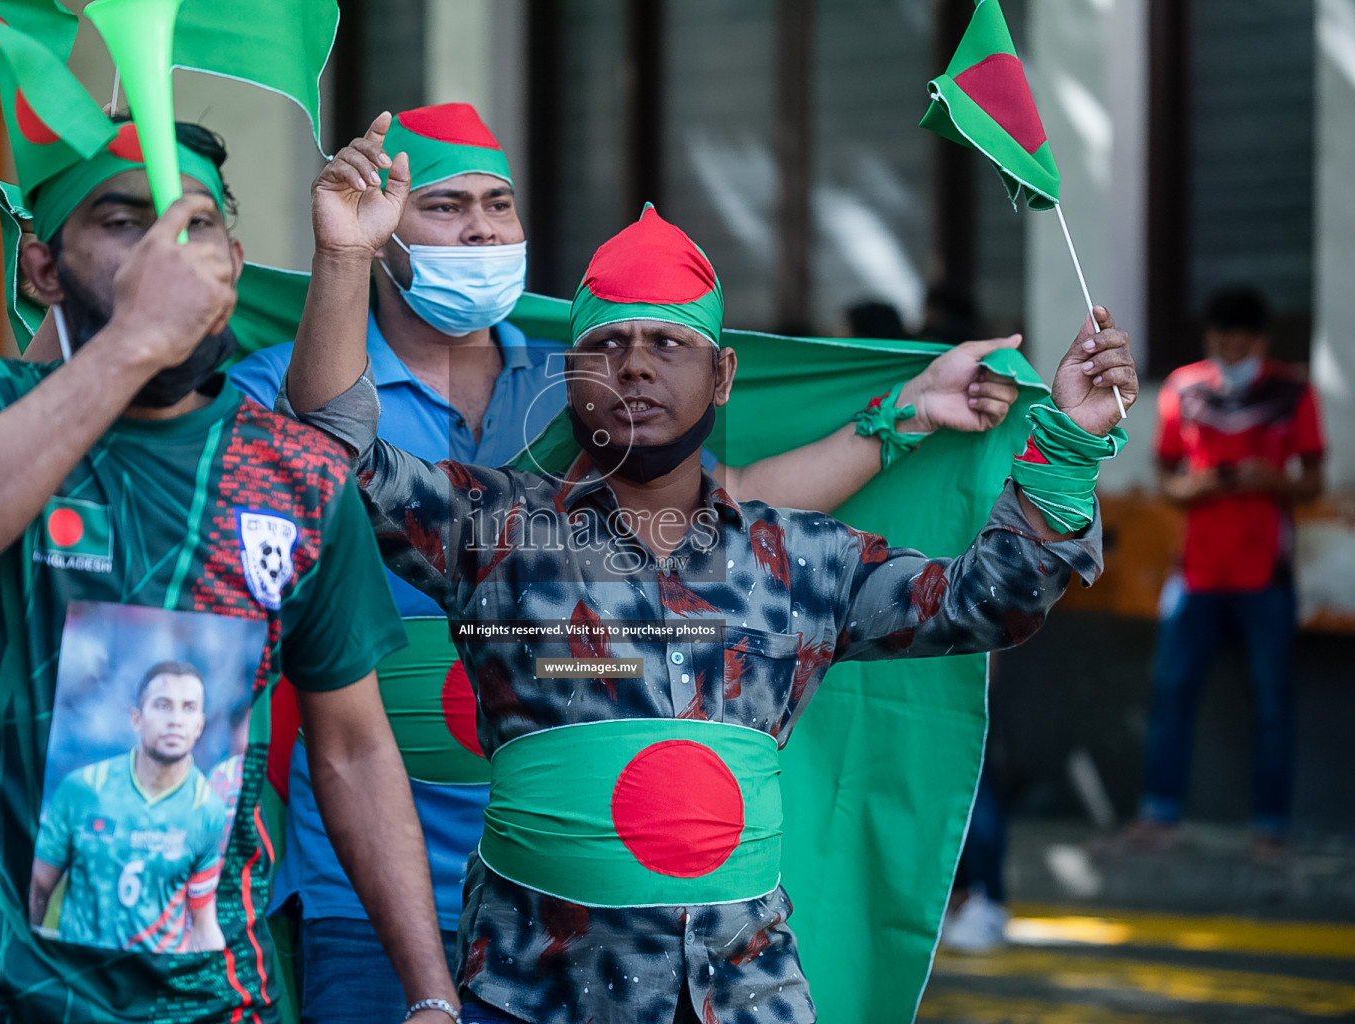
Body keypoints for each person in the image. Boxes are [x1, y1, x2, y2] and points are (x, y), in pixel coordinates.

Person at [274, 115, 1135, 1023]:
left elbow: (989, 602)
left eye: (668, 345)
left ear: (722, 376)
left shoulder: (803, 560)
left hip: (744, 999)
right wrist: (341, 259)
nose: (635, 368)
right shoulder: (494, 531)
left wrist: (1069, 447)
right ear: (569, 377)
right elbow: (332, 447)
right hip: (525, 1000)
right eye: (606, 346)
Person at [0, 119, 460, 1024]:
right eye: (122, 221)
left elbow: (354, 748)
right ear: (42, 268)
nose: (165, 254)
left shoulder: (296, 474)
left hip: (210, 1001)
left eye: (194, 225)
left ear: (233, 259)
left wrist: (429, 997)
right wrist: (132, 340)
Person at [1122, 285, 1324, 854]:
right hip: (1195, 572)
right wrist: (1196, 487)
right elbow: (1165, 477)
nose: (1229, 354)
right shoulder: (1183, 389)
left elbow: (1313, 481)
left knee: (1274, 701)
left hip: (1268, 573)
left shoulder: (1292, 390)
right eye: (1220, 343)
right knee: (1171, 692)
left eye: (1239, 345)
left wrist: (1272, 480)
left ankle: (1271, 826)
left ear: (1260, 342)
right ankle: (1158, 815)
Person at [29, 661, 230, 953]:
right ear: (136, 718)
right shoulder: (83, 788)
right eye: (162, 705)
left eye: (188, 708)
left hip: (155, 985)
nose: (175, 719)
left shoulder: (207, 808)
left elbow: (203, 922)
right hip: (83, 977)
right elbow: (38, 888)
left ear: (199, 725)